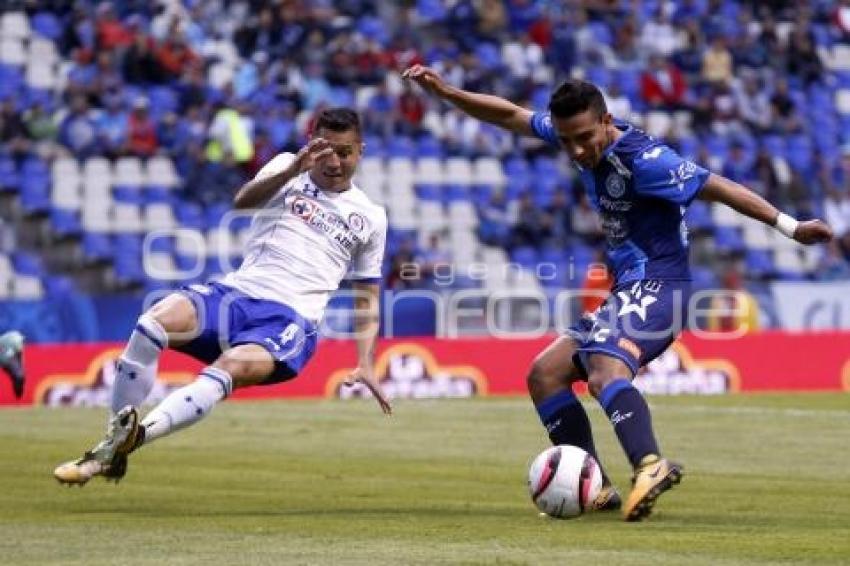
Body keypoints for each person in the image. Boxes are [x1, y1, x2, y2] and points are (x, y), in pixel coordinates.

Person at [402, 65, 833, 521]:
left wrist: (791, 226)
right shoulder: (576, 134)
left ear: (607, 121)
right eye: (566, 140)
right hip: (629, 288)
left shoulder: (645, 160)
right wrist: (447, 91)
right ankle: (599, 488)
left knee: (605, 368)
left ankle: (649, 464)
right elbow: (510, 115)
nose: (576, 149)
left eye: (585, 137)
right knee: (544, 373)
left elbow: (717, 187)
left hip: (662, 285)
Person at [54, 108, 392, 486]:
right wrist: (292, 171)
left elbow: (367, 296)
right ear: (311, 145)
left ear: (360, 151)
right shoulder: (286, 167)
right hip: (238, 293)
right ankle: (113, 440)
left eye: (344, 153)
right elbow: (242, 202)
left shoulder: (371, 217)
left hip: (290, 320)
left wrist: (366, 362)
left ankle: (130, 442)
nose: (334, 162)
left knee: (229, 367)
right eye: (325, 151)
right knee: (154, 322)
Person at [0, 331, 25, 399]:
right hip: (7, 359)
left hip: (6, 359)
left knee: (17, 376)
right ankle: (18, 394)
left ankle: (18, 393)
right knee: (19, 376)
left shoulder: (8, 339)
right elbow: (19, 355)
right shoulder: (17, 340)